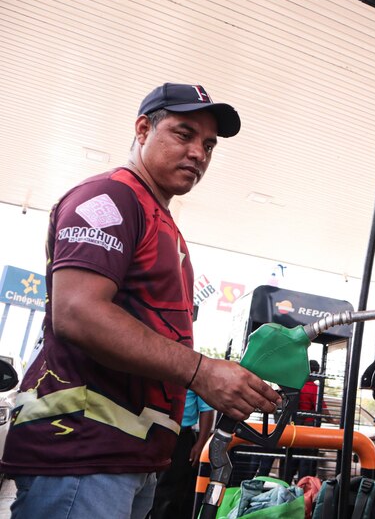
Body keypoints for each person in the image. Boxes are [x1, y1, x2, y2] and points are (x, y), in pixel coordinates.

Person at [0, 83, 282, 519]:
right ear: (143, 128)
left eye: (208, 145)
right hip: (82, 454)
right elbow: (78, 311)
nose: (199, 154)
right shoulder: (111, 198)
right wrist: (202, 371)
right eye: (183, 134)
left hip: (127, 459)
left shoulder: (158, 219)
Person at [150, 389, 215, 519]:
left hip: (181, 438)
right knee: (150, 489)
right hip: (151, 435)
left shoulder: (194, 373)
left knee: (172, 493)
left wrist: (200, 444)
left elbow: (207, 409)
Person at [284, 360, 329, 483]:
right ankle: (303, 488)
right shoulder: (313, 388)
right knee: (306, 461)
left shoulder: (296, 384)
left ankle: (285, 485)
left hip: (293, 428)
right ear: (315, 372)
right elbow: (321, 408)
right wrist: (333, 420)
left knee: (290, 459)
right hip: (309, 429)